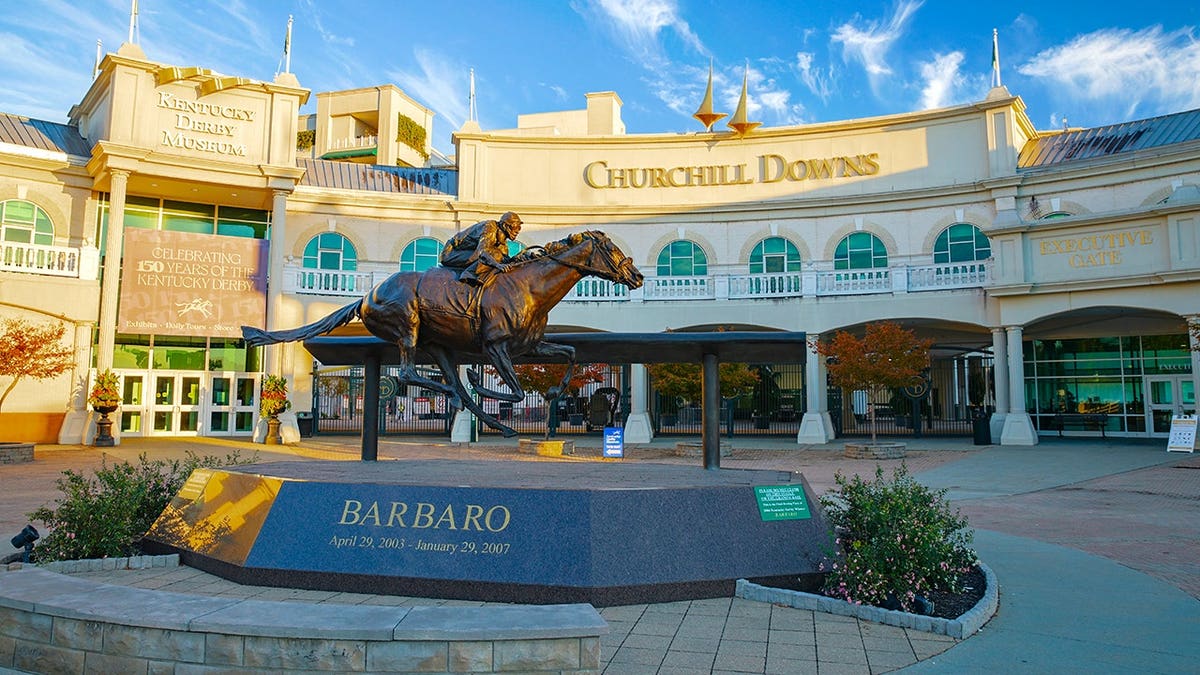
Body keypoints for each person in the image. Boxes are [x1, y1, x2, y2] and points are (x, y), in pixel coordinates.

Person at [440, 211, 522, 286]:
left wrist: (520, 258)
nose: (517, 231)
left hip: (466, 252)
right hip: (451, 253)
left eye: (519, 228)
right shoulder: (489, 228)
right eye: (516, 227)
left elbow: (506, 260)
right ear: (505, 226)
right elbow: (482, 252)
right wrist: (497, 265)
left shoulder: (501, 240)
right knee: (494, 254)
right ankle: (468, 274)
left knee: (498, 256)